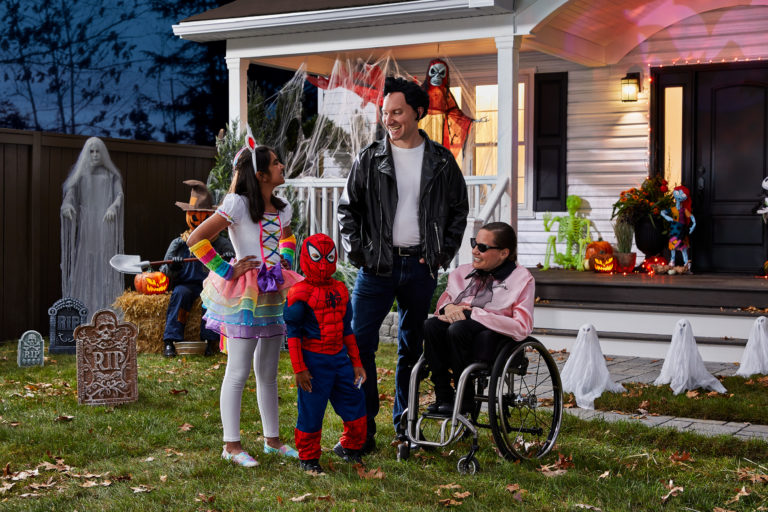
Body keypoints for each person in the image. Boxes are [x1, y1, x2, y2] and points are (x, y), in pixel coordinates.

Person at [337, 76, 469, 451]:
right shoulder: (370, 158)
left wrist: (442, 253)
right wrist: (360, 252)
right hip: (375, 269)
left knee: (411, 350)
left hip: (420, 268)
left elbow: (459, 210)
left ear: (418, 113)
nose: (388, 119)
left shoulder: (442, 162)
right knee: (359, 344)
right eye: (385, 112)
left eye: (396, 112)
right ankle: (361, 433)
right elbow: (348, 210)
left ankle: (405, 428)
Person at [188, 136, 302, 468]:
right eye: (276, 162)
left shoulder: (282, 208)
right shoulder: (237, 205)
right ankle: (232, 445)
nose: (282, 165)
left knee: (267, 371)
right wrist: (227, 268)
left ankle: (272, 441)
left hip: (272, 291)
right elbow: (197, 239)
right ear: (262, 174)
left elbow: (289, 235)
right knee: (237, 371)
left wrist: (286, 258)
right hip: (243, 295)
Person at [423, 222, 534, 415]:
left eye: (482, 247)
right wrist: (449, 307)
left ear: (503, 253)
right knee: (431, 325)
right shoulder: (461, 273)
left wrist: (473, 314)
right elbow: (445, 303)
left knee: (458, 329)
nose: (475, 250)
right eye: (474, 243)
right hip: (458, 333)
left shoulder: (522, 279)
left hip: (494, 337)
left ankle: (465, 399)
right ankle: (443, 395)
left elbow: (522, 327)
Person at [284, 234, 367, 474]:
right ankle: (308, 459)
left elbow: (347, 329)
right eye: (318, 257)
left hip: (340, 359)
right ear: (307, 258)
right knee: (311, 411)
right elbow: (293, 334)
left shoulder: (340, 289)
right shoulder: (299, 293)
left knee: (355, 405)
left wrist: (356, 363)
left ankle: (349, 448)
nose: (323, 264)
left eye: (329, 257)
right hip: (314, 361)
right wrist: (300, 369)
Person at [159, 180, 234, 358]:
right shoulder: (179, 243)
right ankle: (171, 340)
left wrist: (230, 257)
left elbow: (234, 264)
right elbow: (163, 272)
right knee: (179, 295)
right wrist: (173, 266)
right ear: (188, 216)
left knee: (212, 301)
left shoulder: (221, 243)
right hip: (187, 284)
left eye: (205, 217)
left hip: (211, 285)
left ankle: (209, 341)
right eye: (195, 216)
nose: (199, 221)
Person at [61, 136, 124, 313]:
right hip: (88, 227)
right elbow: (70, 195)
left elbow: (119, 195)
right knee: (86, 264)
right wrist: (67, 205)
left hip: (105, 225)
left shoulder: (111, 176)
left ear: (103, 153)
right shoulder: (80, 175)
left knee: (105, 264)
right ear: (86, 154)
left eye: (98, 151)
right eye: (91, 151)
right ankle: (84, 311)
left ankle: (106, 311)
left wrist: (113, 206)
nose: (95, 155)